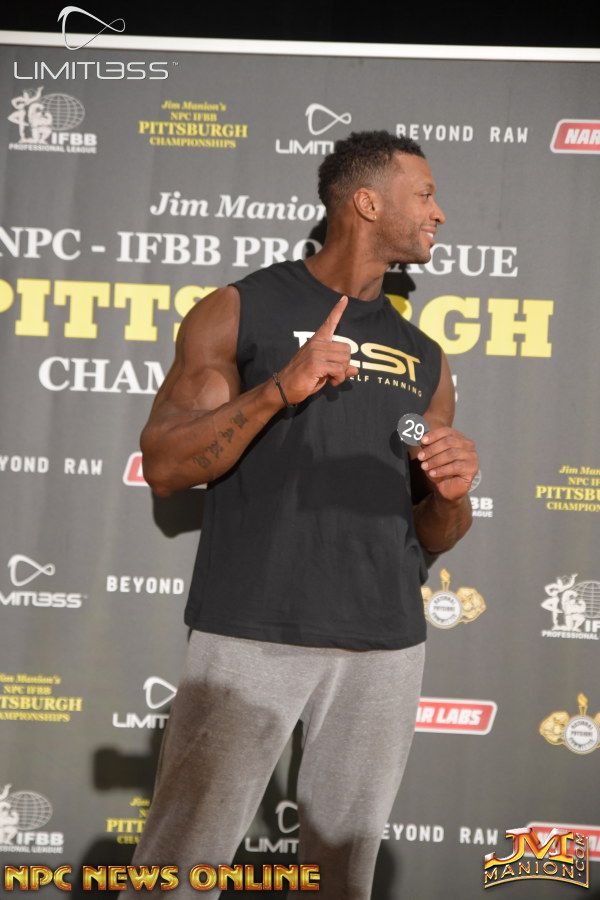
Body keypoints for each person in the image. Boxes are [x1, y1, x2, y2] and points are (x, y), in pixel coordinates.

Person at [128, 130, 479, 898]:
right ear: (367, 203)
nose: (439, 213)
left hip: (384, 645)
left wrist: (450, 494)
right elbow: (165, 466)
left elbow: (435, 534)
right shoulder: (239, 309)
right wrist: (277, 391)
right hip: (252, 628)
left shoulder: (426, 357)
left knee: (342, 878)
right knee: (178, 866)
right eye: (424, 195)